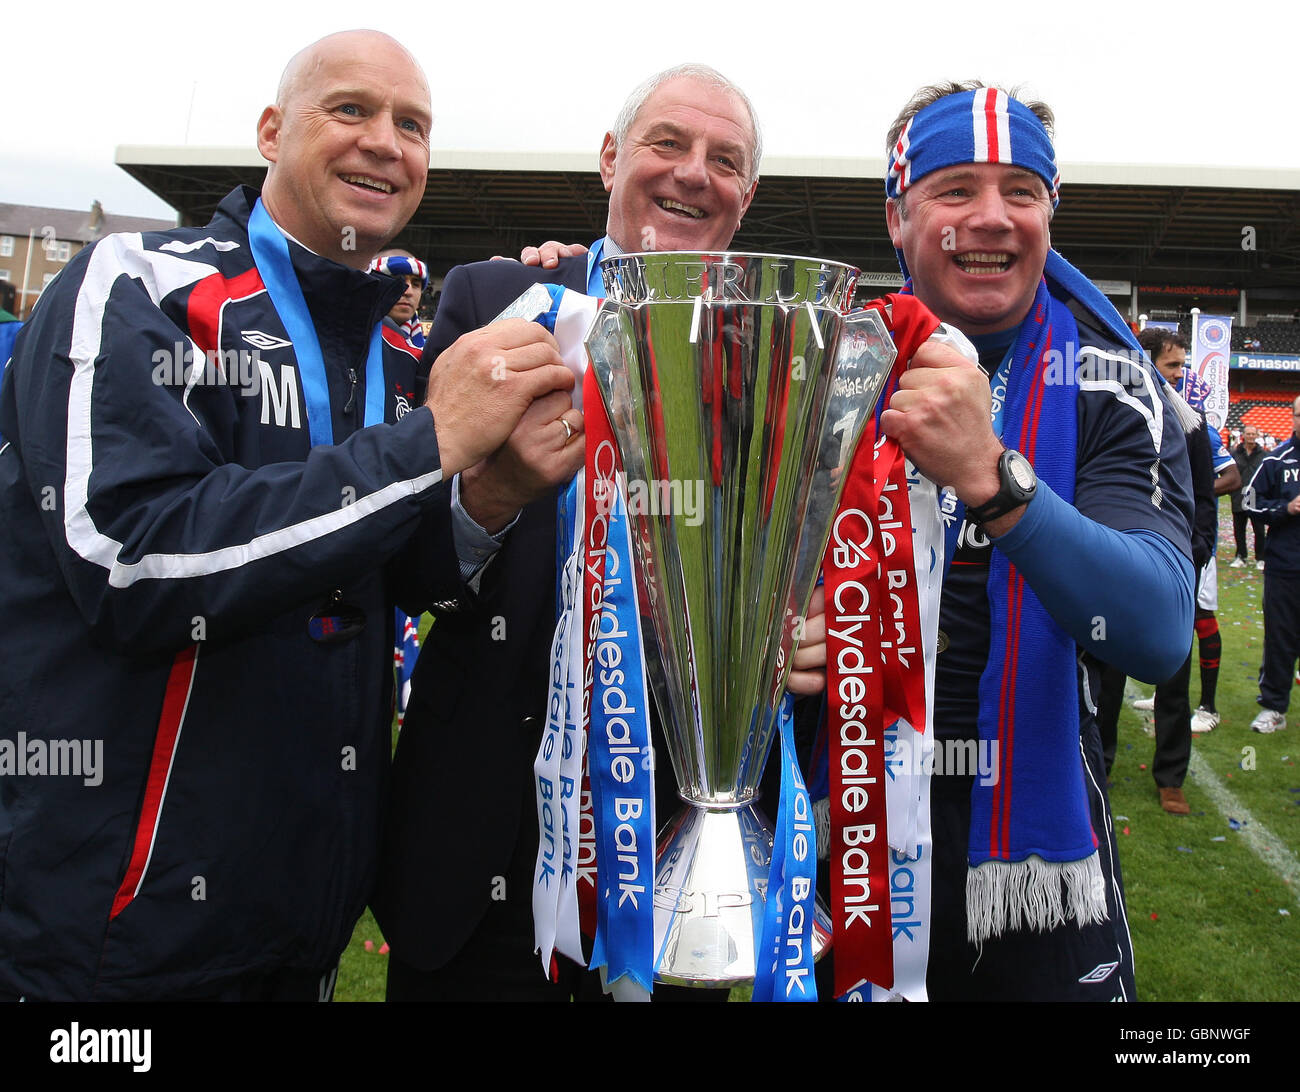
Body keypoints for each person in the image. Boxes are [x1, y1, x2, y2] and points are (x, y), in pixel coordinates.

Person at [0, 30, 572, 1002]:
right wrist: (429, 445)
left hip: (295, 945)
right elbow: (133, 562)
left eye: (413, 125)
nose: (386, 142)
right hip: (107, 961)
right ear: (270, 130)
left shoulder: (397, 356)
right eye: (350, 109)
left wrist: (494, 493)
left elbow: (388, 572)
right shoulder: (136, 283)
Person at [373, 63, 779, 1002]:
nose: (693, 174)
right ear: (609, 159)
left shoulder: (772, 354)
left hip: (674, 855)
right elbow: (404, 564)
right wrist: (489, 501)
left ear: (746, 197)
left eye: (724, 161)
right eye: (667, 143)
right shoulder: (497, 301)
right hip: (480, 846)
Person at [874, 83, 1195, 999]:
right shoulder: (832, 364)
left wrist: (992, 478)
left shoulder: (1110, 383)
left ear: (1051, 212)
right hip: (851, 820)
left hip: (1042, 845)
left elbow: (1159, 629)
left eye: (1021, 189)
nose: (993, 218)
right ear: (899, 217)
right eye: (955, 188)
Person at [1243, 396, 1300, 733]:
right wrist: (1285, 509)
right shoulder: (1276, 459)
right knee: (1281, 636)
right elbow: (1249, 500)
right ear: (1292, 418)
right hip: (1286, 566)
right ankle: (1274, 706)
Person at [369, 247, 429, 350]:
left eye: (415, 284)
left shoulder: (431, 353)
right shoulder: (346, 343)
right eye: (397, 281)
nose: (408, 292)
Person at [1231, 425, 1267, 568]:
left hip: (1256, 497)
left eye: (1253, 434)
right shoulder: (1235, 453)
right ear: (1243, 435)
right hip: (1239, 495)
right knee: (1239, 528)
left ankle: (1261, 558)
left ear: (1257, 436)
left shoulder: (1263, 454)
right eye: (1248, 434)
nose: (1251, 436)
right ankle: (1241, 556)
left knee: (1259, 529)